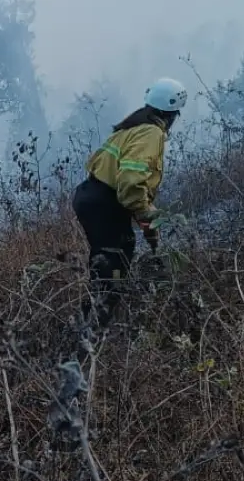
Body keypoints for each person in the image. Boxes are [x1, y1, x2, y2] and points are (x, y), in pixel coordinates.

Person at [73, 77, 187, 328]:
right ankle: (95, 328)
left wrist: (146, 219)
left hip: (91, 197)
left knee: (107, 258)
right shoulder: (152, 133)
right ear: (172, 114)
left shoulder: (132, 127)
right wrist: (147, 214)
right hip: (104, 203)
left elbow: (128, 187)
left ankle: (91, 320)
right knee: (114, 261)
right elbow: (131, 183)